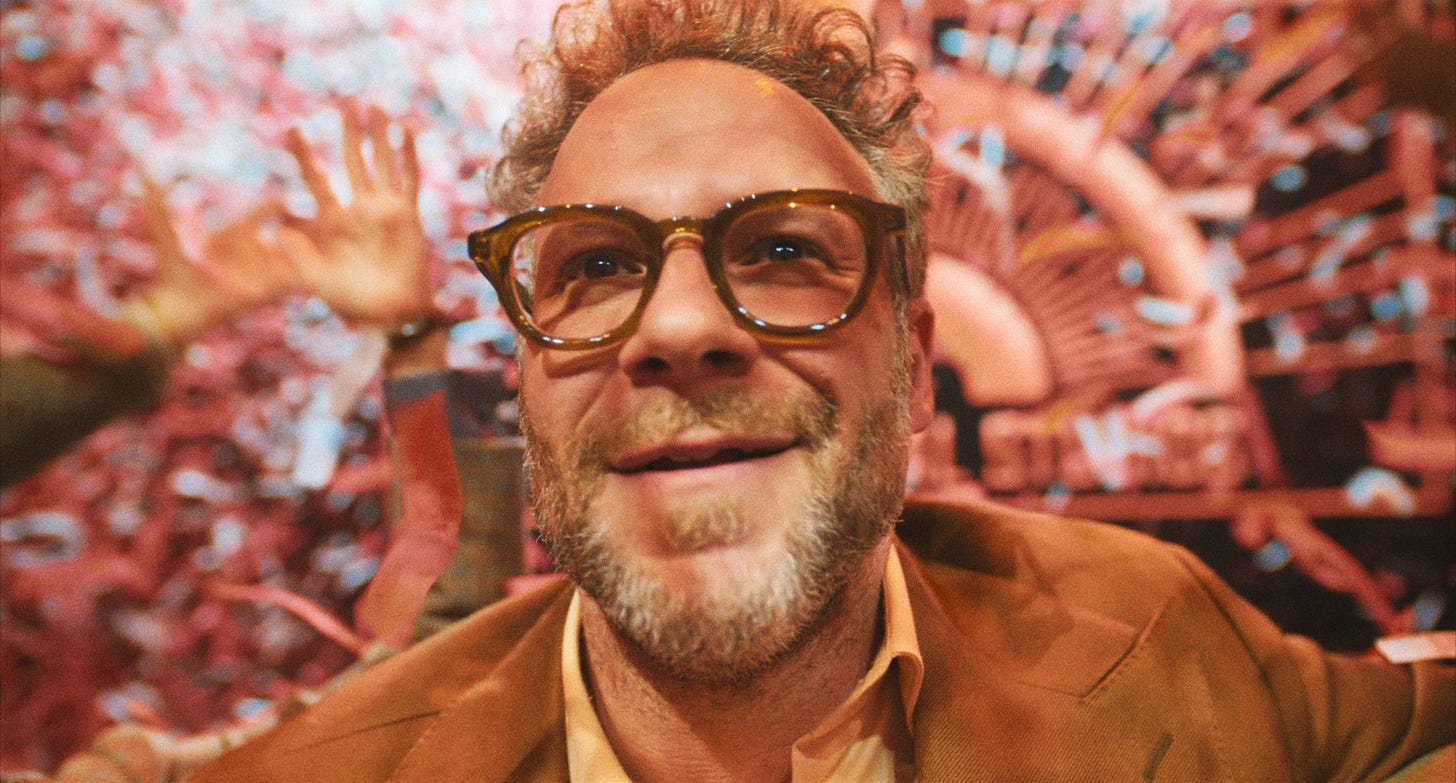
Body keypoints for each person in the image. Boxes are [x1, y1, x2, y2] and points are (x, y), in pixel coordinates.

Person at [190, 1, 1454, 781]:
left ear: (914, 365)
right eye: (598, 265)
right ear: (524, 378)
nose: (678, 327)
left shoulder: (1160, 643)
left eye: (783, 250)